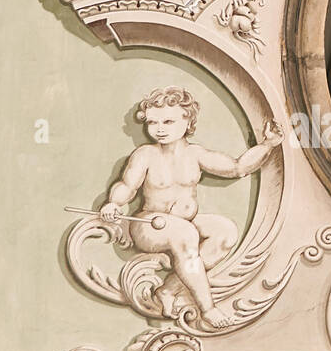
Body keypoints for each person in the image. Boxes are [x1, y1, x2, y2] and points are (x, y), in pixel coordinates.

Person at [98, 86, 281, 328]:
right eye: (153, 122)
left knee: (225, 232)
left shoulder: (195, 154)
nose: (160, 128)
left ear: (187, 120)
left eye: (168, 121)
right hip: (150, 226)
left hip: (183, 225)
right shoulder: (146, 154)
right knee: (184, 235)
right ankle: (208, 308)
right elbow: (127, 186)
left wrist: (268, 145)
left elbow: (238, 168)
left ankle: (167, 290)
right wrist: (114, 203)